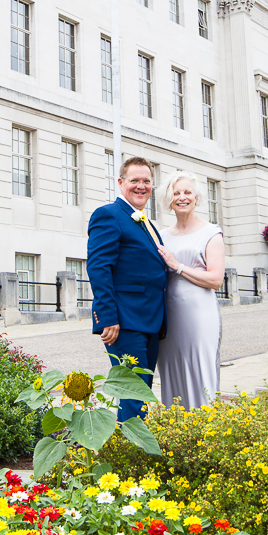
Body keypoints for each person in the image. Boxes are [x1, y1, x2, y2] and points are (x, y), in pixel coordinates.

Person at [86, 156, 167, 422]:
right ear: (121, 183)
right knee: (134, 395)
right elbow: (99, 267)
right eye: (134, 181)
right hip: (125, 322)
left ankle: (132, 452)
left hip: (149, 321)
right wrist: (107, 317)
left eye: (146, 181)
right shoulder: (108, 214)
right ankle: (132, 455)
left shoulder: (145, 222)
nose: (141, 186)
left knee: (141, 393)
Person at [154, 171, 225, 410]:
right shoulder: (161, 236)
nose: (182, 197)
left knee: (201, 370)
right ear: (168, 199)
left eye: (187, 192)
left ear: (196, 197)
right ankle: (178, 432)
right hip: (169, 317)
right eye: (176, 193)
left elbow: (216, 279)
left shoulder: (211, 232)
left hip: (200, 315)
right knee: (171, 371)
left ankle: (205, 429)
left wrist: (178, 266)